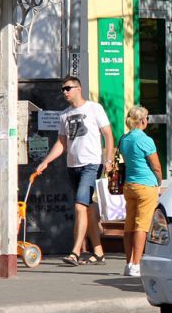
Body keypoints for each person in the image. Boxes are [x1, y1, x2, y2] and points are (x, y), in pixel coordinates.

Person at [35, 76, 114, 266]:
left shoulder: (94, 108)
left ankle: (75, 252)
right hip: (73, 167)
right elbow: (61, 143)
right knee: (88, 209)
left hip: (91, 165)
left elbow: (108, 135)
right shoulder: (64, 114)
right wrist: (45, 161)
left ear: (78, 88)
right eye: (63, 89)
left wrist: (109, 160)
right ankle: (98, 252)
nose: (65, 92)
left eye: (68, 88)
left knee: (79, 207)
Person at [118, 105, 162, 277]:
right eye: (147, 118)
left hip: (129, 185)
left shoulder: (124, 139)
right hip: (146, 185)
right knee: (141, 226)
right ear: (143, 120)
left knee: (129, 225)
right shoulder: (145, 140)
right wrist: (159, 182)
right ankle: (136, 264)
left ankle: (128, 263)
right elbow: (156, 166)